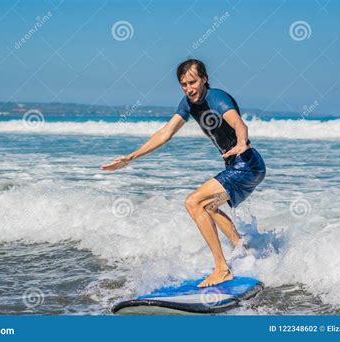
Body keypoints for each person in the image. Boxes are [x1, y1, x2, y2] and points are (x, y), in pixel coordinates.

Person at [101, 59, 266, 287]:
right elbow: (165, 133)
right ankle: (244, 252)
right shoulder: (188, 103)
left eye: (193, 82)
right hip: (241, 167)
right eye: (183, 84)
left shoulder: (216, 98)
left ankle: (221, 269)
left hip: (246, 164)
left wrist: (241, 143)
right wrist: (131, 157)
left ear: (204, 79)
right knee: (209, 206)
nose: (189, 88)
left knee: (193, 202)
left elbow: (239, 124)